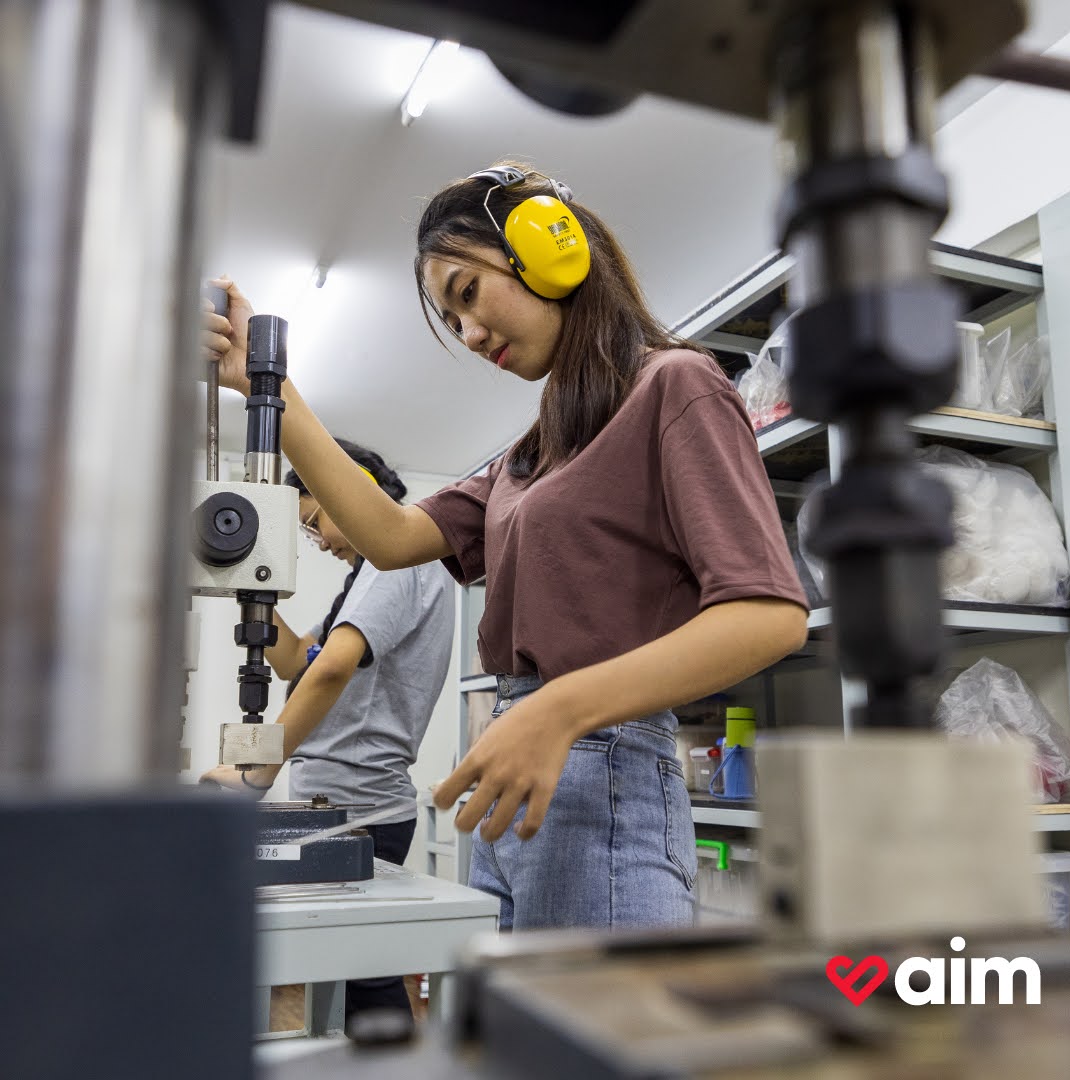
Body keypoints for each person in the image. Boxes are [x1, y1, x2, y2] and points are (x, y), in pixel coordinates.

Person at [202, 161, 808, 932]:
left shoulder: (675, 386)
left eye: (467, 295)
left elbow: (769, 614)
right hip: (516, 770)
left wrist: (557, 709)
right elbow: (388, 536)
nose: (470, 334)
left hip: (601, 765)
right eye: (452, 321)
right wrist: (265, 384)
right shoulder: (528, 455)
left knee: (587, 1042)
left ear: (546, 248)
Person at [201, 438, 454, 1021]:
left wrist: (256, 771)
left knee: (364, 977)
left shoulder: (396, 556)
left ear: (352, 488)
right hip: (341, 799)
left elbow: (334, 668)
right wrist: (249, 583)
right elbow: (299, 662)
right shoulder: (366, 575)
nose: (320, 543)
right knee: (347, 970)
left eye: (315, 523)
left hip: (359, 806)